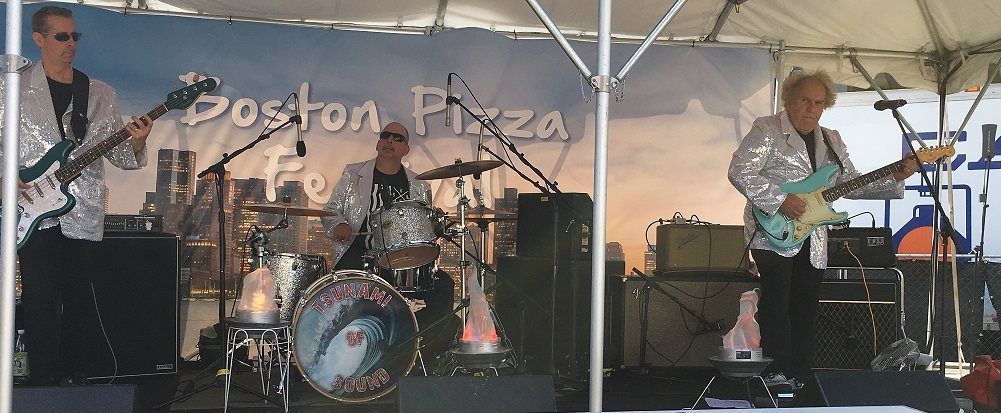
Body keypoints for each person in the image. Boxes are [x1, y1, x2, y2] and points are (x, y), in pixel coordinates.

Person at [727, 69, 917, 389]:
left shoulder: (832, 139)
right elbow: (739, 170)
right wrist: (780, 200)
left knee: (805, 305)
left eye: (818, 103)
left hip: (813, 235)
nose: (811, 108)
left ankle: (800, 374)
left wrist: (895, 176)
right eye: (805, 100)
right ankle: (775, 370)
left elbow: (851, 184)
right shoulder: (767, 128)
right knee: (777, 303)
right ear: (789, 100)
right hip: (771, 231)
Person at [2, 6, 155, 385]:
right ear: (39, 39)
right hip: (30, 208)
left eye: (75, 36)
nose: (70, 43)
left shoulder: (99, 93)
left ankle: (75, 379)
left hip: (81, 210)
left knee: (79, 300)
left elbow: (120, 156)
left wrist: (137, 141)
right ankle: (43, 382)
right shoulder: (12, 87)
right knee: (39, 299)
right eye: (62, 36)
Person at [322, 122, 456, 354]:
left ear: (406, 149)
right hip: (358, 256)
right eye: (385, 136)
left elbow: (423, 227)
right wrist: (339, 225)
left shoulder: (419, 184)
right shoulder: (353, 174)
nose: (390, 141)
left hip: (403, 262)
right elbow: (331, 210)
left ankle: (422, 350)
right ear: (378, 143)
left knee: (444, 286)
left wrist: (434, 225)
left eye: (398, 138)